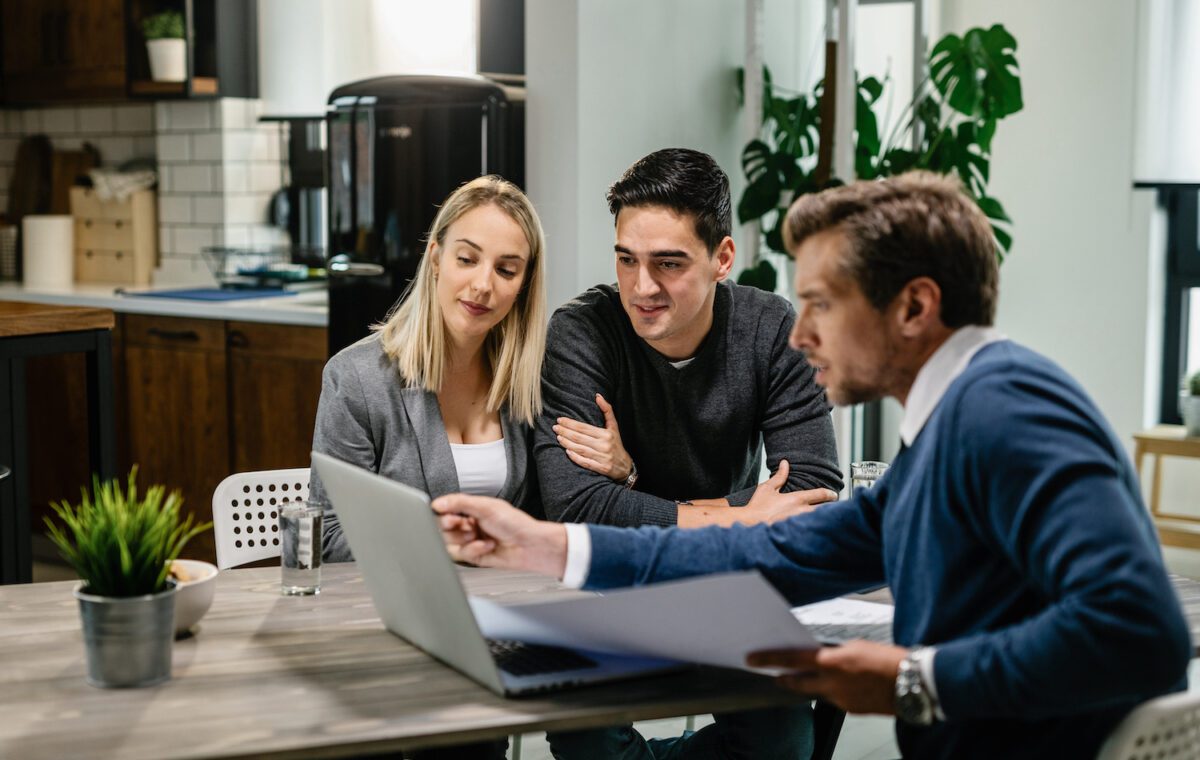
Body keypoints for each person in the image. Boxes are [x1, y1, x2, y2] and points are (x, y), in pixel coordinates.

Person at [433, 172, 1193, 760]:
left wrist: (910, 679)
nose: (798, 337)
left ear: (913, 308)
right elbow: (775, 547)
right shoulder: (952, 422)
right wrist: (544, 544)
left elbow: (1138, 628)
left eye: (822, 304)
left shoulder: (1008, 409)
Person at [537, 148, 843, 759]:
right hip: (608, 585)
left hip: (726, 582)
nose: (642, 287)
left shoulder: (771, 330)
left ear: (722, 259)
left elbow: (812, 490)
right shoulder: (582, 331)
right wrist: (738, 517)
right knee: (587, 741)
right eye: (626, 259)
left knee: (784, 743)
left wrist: (629, 487)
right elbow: (573, 506)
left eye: (668, 264)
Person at [309, 174, 547, 760]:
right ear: (436, 257)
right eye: (467, 258)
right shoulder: (358, 378)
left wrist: (621, 468)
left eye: (507, 269)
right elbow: (327, 533)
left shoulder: (528, 386)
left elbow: (554, 510)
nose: (482, 285)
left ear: (523, 285)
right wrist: (445, 543)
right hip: (389, 633)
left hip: (495, 629)